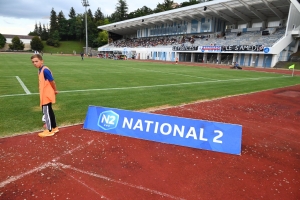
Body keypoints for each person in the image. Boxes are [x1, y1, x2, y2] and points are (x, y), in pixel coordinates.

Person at [31, 54, 59, 137]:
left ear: (41, 61)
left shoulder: (45, 70)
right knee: (49, 111)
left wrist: (55, 90)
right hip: (45, 94)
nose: (34, 63)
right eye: (33, 62)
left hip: (47, 95)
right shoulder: (40, 70)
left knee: (46, 112)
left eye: (36, 61)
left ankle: (49, 130)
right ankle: (54, 127)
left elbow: (52, 81)